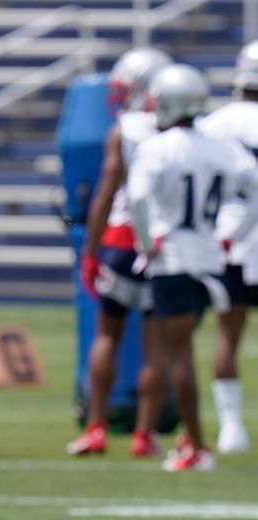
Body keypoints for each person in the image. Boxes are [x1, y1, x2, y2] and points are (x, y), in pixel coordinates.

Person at [128, 64, 258, 471]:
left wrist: (147, 244)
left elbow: (136, 200)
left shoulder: (158, 147)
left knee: (178, 355)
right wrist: (233, 237)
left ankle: (197, 447)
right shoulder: (220, 147)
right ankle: (193, 438)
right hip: (210, 258)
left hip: (173, 259)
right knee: (190, 349)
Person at [66, 47, 172, 458]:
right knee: (156, 344)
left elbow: (106, 193)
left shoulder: (124, 130)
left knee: (106, 335)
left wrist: (89, 251)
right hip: (161, 248)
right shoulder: (176, 131)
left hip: (119, 244)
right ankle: (145, 435)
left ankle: (96, 426)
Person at [194, 39, 258, 454]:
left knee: (226, 335)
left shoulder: (211, 124)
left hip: (224, 241)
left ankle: (230, 428)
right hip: (248, 233)